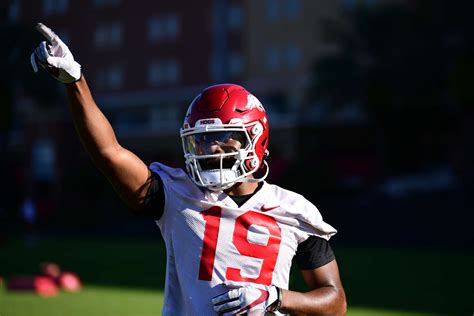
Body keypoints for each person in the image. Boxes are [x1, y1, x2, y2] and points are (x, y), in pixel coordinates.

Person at [30, 23, 347, 315]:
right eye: (203, 140)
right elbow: (109, 154)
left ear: (256, 139)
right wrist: (76, 82)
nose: (212, 148)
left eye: (224, 138)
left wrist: (275, 297)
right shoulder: (176, 194)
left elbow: (335, 301)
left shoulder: (295, 210)